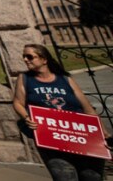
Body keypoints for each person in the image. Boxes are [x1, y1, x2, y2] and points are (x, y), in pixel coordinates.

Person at [12, 43, 110, 181]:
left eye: (30, 57)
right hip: (52, 138)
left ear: (44, 59)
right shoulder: (25, 78)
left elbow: (87, 107)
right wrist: (27, 117)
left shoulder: (65, 79)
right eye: (24, 57)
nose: (25, 60)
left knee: (91, 176)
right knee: (64, 176)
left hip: (81, 135)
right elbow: (18, 102)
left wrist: (102, 130)